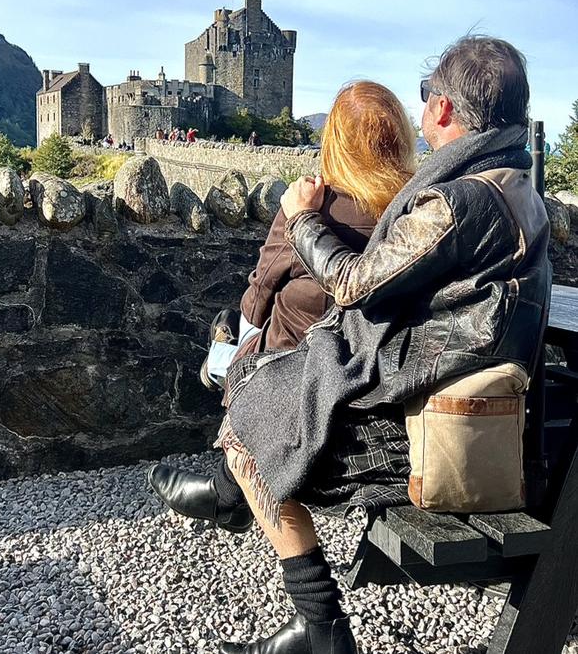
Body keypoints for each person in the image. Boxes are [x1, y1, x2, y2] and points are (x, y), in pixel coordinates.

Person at [150, 36, 552, 653]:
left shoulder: (460, 200)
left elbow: (353, 285)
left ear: (442, 110)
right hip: (458, 399)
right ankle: (240, 511)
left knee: (250, 428)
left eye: (427, 99)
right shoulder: (515, 185)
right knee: (271, 392)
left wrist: (303, 216)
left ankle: (322, 628)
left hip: (425, 428)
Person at [199, 81, 416, 392]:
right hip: (378, 376)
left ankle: (220, 363)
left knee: (234, 323)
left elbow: (261, 290)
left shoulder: (309, 205)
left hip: (290, 369)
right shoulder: (420, 212)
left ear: (335, 143)